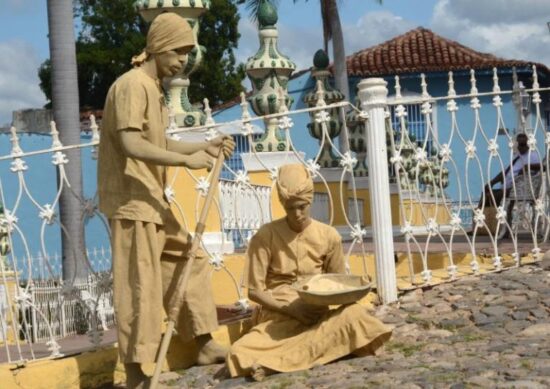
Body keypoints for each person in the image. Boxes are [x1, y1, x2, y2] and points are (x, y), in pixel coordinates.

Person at [97, 13, 235, 389]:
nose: (183, 60)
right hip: (130, 200)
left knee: (190, 259)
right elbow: (130, 143)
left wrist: (200, 147)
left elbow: (157, 143)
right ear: (157, 46)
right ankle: (137, 371)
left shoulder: (153, 89)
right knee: (140, 286)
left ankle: (203, 340)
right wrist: (186, 161)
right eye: (178, 51)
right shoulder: (131, 85)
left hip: (151, 199)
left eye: (188, 53)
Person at [226, 164, 392, 380]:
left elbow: (339, 284)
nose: (297, 214)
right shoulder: (265, 235)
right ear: (283, 205)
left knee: (357, 317)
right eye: (290, 208)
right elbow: (255, 292)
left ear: (310, 201)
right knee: (238, 352)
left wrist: (355, 288)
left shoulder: (328, 235)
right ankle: (315, 352)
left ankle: (277, 363)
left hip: (316, 315)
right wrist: (291, 310)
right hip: (279, 317)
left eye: (302, 207)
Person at [479, 133, 541, 208]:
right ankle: (486, 215)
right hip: (508, 187)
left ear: (527, 143)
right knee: (486, 192)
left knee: (493, 196)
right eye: (520, 144)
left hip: (516, 188)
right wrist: (492, 182)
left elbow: (542, 167)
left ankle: (491, 216)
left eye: (523, 144)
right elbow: (506, 171)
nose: (522, 147)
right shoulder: (517, 156)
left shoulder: (532, 155)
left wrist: (528, 166)